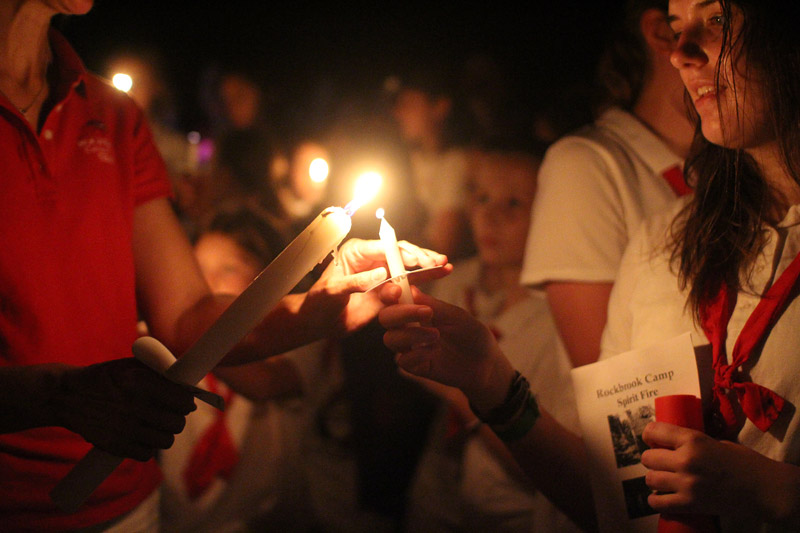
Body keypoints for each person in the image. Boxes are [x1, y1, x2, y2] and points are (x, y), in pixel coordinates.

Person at [0, 3, 449, 530]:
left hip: (128, 501)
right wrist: (56, 396)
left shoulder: (113, 113)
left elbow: (188, 316)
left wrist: (317, 307)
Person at [380, 0, 800, 531]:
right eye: (675, 29)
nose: (681, 54)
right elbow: (617, 503)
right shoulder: (660, 244)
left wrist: (774, 491)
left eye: (717, 20)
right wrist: (491, 382)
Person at [521, 0, 695, 369]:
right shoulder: (587, 165)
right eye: (719, 20)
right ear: (664, 31)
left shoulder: (736, 166)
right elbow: (609, 383)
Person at [421, 146, 582, 531]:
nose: (491, 216)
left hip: (510, 513)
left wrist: (462, 392)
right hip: (435, 499)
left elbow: (551, 459)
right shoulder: (451, 282)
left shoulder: (559, 317)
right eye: (481, 198)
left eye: (514, 203)